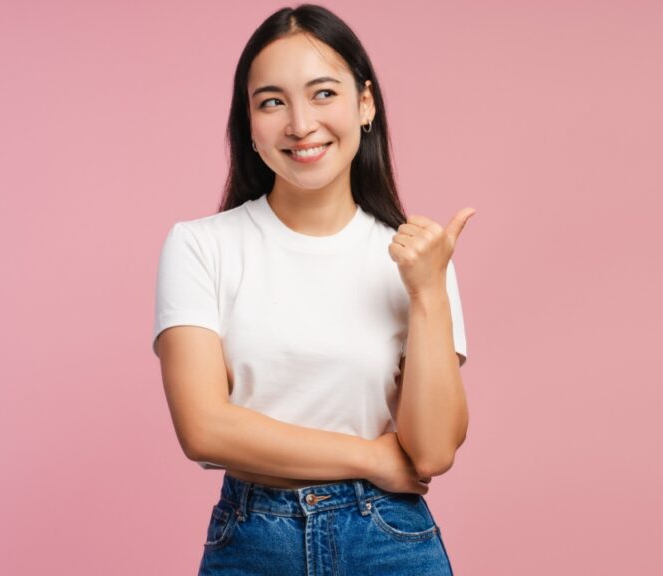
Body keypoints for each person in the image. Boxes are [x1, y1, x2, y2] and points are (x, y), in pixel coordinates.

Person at [152, 5, 474, 574]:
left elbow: (432, 451)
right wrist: (370, 456)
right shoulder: (201, 246)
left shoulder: (418, 258)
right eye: (272, 102)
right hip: (253, 539)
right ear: (249, 124)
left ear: (365, 103)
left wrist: (428, 294)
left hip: (388, 539)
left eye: (323, 93)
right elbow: (204, 428)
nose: (300, 124)